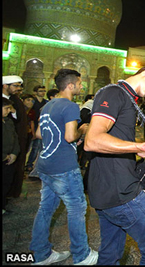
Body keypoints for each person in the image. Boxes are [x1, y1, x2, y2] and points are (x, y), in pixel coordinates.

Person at [84, 63, 145, 265]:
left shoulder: (128, 99)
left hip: (105, 191)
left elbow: (116, 143)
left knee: (111, 252)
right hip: (122, 192)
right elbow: (93, 141)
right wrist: (144, 145)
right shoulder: (114, 93)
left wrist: (141, 150)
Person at [29, 69, 97, 265]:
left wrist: (66, 139)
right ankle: (82, 255)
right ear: (70, 85)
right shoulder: (69, 106)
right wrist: (81, 130)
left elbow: (41, 134)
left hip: (46, 165)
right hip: (64, 167)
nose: (82, 86)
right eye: (79, 83)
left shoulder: (48, 105)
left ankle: (41, 254)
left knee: (45, 210)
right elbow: (69, 136)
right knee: (77, 209)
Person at [2, 75, 28, 199]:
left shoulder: (15, 100)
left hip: (14, 142)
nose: (18, 88)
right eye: (15, 86)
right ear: (5, 86)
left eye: (19, 86)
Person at [26, 85, 48, 172]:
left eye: (44, 91)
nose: (42, 93)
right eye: (40, 91)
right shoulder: (33, 102)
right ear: (35, 92)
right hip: (32, 125)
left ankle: (34, 165)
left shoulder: (45, 102)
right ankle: (29, 163)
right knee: (31, 147)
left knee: (38, 147)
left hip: (41, 126)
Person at [2, 98, 19, 215]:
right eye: (6, 108)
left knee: (6, 183)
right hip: (4, 157)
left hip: (9, 159)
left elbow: (15, 138)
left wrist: (14, 153)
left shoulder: (8, 121)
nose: (9, 111)